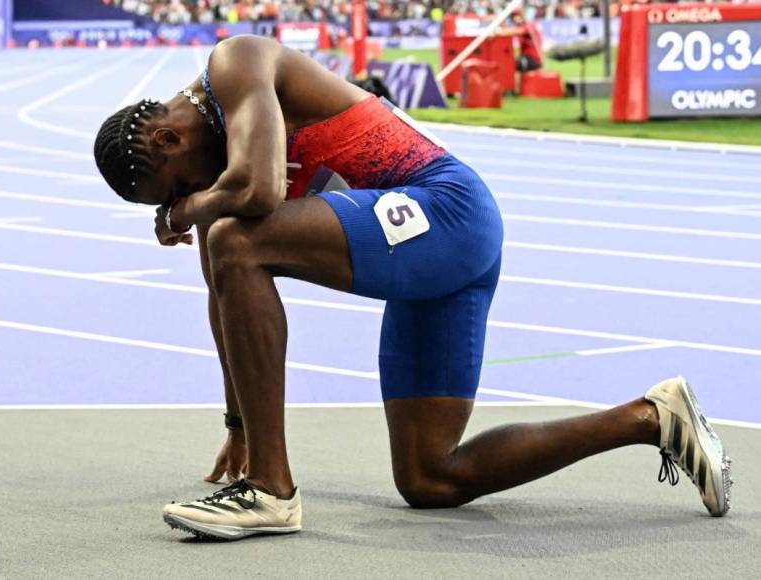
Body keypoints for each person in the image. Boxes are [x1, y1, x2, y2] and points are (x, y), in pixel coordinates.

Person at [93, 36, 732, 541]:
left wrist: (182, 212)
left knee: (234, 233)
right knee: (430, 477)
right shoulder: (216, 185)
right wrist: (239, 422)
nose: (187, 203)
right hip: (429, 253)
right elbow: (221, 291)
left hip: (448, 209)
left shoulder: (236, 65)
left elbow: (256, 195)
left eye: (175, 188)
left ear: (169, 139)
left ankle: (270, 489)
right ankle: (653, 418)